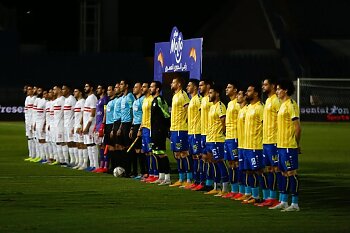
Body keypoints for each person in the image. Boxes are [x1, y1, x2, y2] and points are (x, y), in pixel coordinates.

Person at [270, 79, 301, 212]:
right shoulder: (282, 105)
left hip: (289, 146)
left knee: (291, 173)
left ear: (286, 90)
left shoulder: (291, 105)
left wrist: (296, 144)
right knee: (282, 173)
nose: (277, 91)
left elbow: (297, 128)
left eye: (278, 89)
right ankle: (283, 201)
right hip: (281, 146)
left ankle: (294, 203)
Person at [257, 78, 281, 207]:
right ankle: (270, 197)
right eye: (263, 84)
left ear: (273, 86)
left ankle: (276, 197)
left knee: (275, 169)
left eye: (266, 84)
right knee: (269, 169)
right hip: (266, 141)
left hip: (274, 141)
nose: (263, 86)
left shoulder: (276, 101)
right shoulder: (267, 101)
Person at [241, 83, 265, 204]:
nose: (246, 93)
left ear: (255, 93)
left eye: (249, 91)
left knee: (259, 171)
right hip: (247, 146)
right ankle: (254, 195)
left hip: (256, 146)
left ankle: (265, 196)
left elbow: (264, 125)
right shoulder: (249, 107)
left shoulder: (260, 108)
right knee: (249, 171)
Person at [204, 84, 229, 196]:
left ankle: (225, 188)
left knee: (220, 162)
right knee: (213, 162)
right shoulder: (212, 106)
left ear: (217, 94)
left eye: (211, 92)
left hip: (217, 140)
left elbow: (224, 121)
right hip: (210, 139)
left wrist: (221, 133)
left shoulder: (220, 106)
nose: (209, 95)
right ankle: (216, 186)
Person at [169, 76, 191, 187]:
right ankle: (181, 178)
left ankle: (188, 179)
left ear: (179, 84)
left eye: (173, 82)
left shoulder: (183, 95)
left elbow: (188, 109)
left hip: (181, 129)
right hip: (174, 129)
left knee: (184, 153)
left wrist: (186, 121)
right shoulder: (175, 96)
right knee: (177, 154)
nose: (171, 84)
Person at [192, 79, 213, 191]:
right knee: (203, 158)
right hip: (202, 133)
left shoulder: (210, 101)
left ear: (208, 86)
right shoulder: (203, 100)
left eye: (201, 85)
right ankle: (203, 181)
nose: (200, 87)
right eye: (199, 85)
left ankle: (210, 183)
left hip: (209, 134)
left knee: (209, 159)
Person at [149, 81, 171, 185]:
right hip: (154, 130)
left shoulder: (159, 100)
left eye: (152, 87)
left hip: (159, 131)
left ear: (157, 89)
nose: (150, 88)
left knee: (162, 154)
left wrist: (164, 129)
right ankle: (161, 176)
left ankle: (167, 178)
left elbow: (166, 114)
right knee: (156, 153)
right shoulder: (153, 100)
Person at [222, 81, 241, 198]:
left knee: (237, 163)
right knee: (230, 163)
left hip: (235, 137)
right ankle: (233, 190)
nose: (226, 89)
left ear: (235, 90)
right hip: (228, 137)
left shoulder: (238, 104)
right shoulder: (229, 104)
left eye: (229, 87)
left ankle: (240, 189)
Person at [232, 88, 249, 200]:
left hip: (248, 144)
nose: (237, 96)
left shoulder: (247, 110)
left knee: (251, 170)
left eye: (239, 94)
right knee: (242, 168)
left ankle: (251, 194)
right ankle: (242, 191)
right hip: (241, 144)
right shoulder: (241, 110)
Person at [185, 79, 202, 189]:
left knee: (199, 157)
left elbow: (203, 114)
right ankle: (195, 180)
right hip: (191, 132)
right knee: (194, 157)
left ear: (195, 87)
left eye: (189, 85)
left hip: (197, 132)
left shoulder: (198, 99)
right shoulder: (192, 100)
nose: (187, 87)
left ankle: (201, 181)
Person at [139, 82, 157, 182]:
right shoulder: (145, 100)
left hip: (150, 129)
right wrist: (140, 129)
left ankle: (155, 174)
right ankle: (150, 173)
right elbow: (144, 115)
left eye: (145, 87)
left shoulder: (151, 100)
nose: (143, 88)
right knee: (146, 152)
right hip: (145, 129)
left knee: (151, 152)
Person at [117, 80, 135, 177]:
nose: (120, 86)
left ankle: (131, 170)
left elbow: (133, 111)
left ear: (126, 86)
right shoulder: (123, 97)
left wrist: (132, 126)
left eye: (122, 84)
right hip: (123, 124)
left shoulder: (130, 96)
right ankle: (125, 169)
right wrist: (120, 127)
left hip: (128, 124)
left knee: (129, 148)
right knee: (124, 148)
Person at [129, 82, 146, 177]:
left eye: (136, 87)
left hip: (141, 125)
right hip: (135, 126)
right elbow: (134, 116)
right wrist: (132, 128)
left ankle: (144, 172)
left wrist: (140, 128)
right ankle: (137, 171)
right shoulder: (135, 101)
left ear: (140, 89)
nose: (134, 89)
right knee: (136, 150)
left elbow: (144, 114)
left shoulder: (143, 100)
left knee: (141, 150)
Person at [82, 82, 98, 170]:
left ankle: (96, 165)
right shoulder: (88, 98)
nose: (85, 88)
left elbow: (93, 112)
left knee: (92, 144)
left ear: (91, 88)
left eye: (87, 86)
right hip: (87, 125)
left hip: (91, 125)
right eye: (85, 86)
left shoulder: (92, 98)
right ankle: (92, 165)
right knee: (88, 144)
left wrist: (88, 125)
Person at [93, 84, 109, 172]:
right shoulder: (98, 100)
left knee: (104, 145)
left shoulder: (105, 99)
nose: (97, 90)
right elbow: (98, 114)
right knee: (99, 146)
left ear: (103, 90)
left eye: (99, 88)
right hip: (98, 125)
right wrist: (96, 125)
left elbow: (105, 112)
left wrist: (103, 124)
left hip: (102, 125)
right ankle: (101, 165)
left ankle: (105, 166)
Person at [72, 88, 87, 170]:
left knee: (82, 144)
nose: (74, 93)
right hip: (76, 126)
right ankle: (80, 162)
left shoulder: (83, 102)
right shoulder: (77, 102)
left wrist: (81, 126)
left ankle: (84, 163)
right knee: (78, 144)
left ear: (80, 93)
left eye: (76, 91)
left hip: (80, 126)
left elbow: (84, 114)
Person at [62, 84, 77, 166]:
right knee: (68, 142)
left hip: (71, 124)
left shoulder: (72, 99)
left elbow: (76, 113)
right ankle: (72, 160)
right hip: (66, 125)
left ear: (68, 90)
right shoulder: (66, 100)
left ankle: (75, 160)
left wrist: (74, 126)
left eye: (64, 89)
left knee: (73, 142)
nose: (62, 90)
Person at [24, 85, 37, 161]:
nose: (27, 90)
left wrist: (33, 122)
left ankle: (35, 155)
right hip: (28, 121)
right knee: (29, 138)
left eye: (29, 89)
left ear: (33, 90)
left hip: (33, 121)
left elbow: (34, 113)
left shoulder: (35, 99)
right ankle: (31, 155)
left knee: (34, 138)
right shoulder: (27, 98)